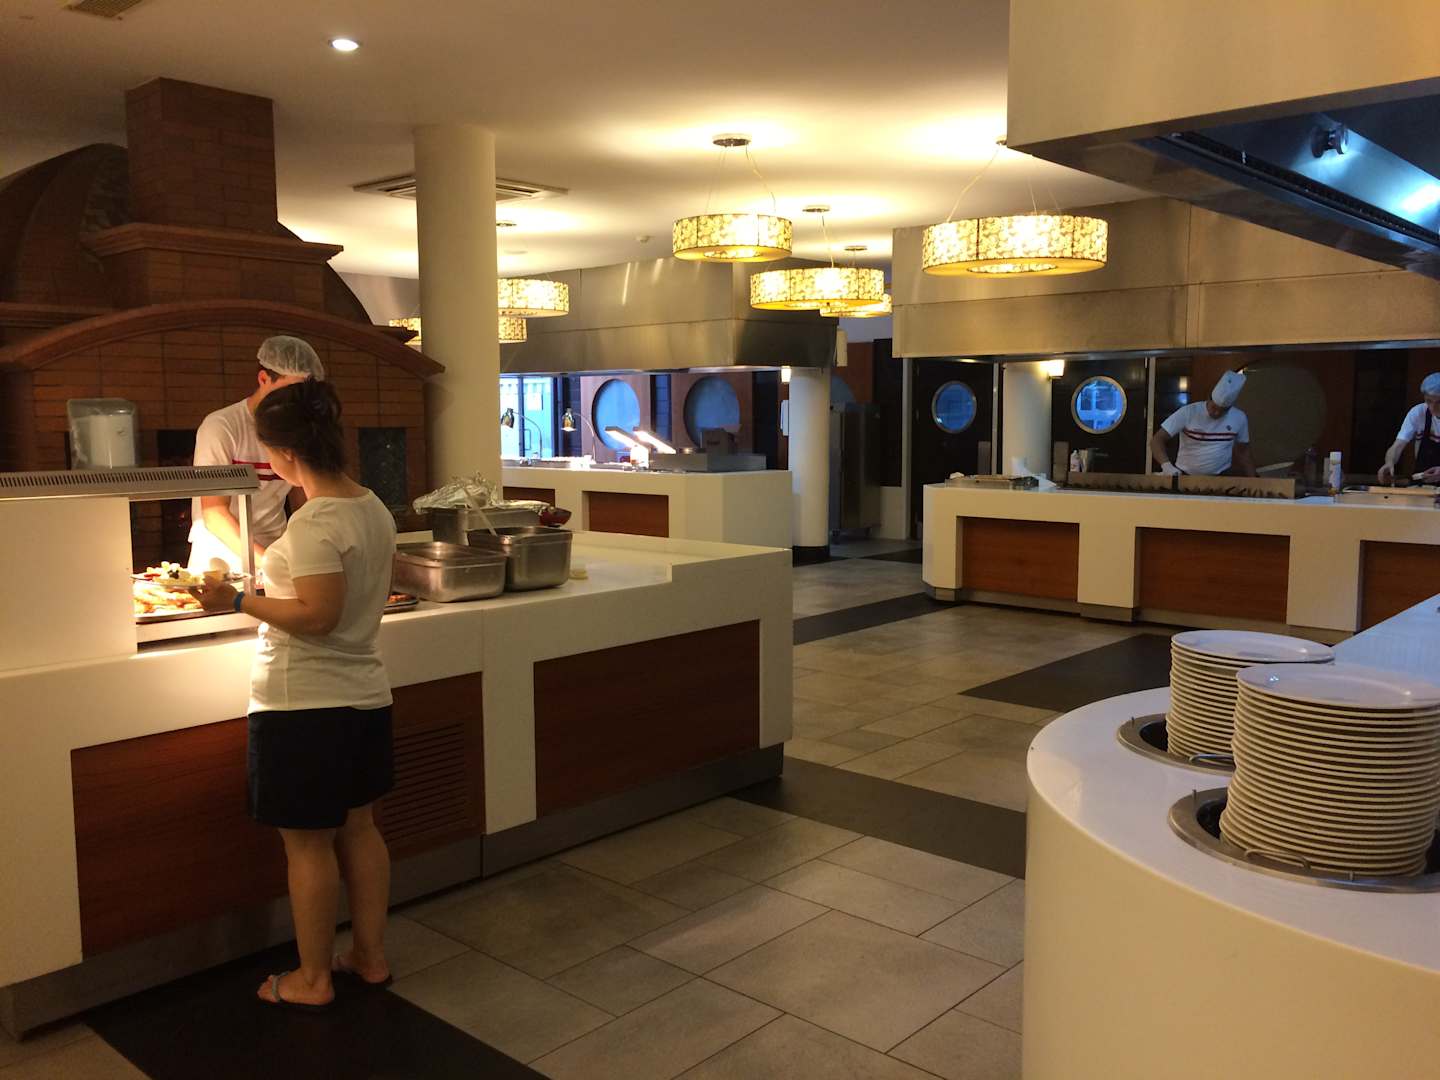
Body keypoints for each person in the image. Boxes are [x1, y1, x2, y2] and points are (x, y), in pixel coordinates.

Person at [194, 378, 397, 1012]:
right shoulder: (371, 506)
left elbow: (317, 615)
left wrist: (236, 599)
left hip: (304, 705)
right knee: (360, 829)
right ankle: (368, 957)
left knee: (308, 846)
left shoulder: (316, 522)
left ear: (283, 453)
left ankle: (312, 980)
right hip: (365, 696)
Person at [188, 336, 327, 575]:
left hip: (278, 547)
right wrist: (267, 561)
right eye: (291, 390)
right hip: (222, 557)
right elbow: (214, 512)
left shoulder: (298, 426)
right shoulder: (221, 426)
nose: (297, 400)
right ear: (263, 379)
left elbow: (302, 497)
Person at [1150, 370, 1255, 477]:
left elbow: (1243, 451)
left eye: (1223, 410)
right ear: (1208, 399)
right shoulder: (1188, 412)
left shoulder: (1239, 418)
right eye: (1214, 408)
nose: (1217, 413)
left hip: (1221, 475)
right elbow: (1157, 440)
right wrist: (1167, 466)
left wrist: (1254, 479)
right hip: (1186, 474)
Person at [1378, 372, 1440, 484]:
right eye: (1429, 401)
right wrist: (1389, 462)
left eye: (1439, 402)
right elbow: (1397, 445)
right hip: (1423, 484)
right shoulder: (1418, 413)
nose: (1433, 407)